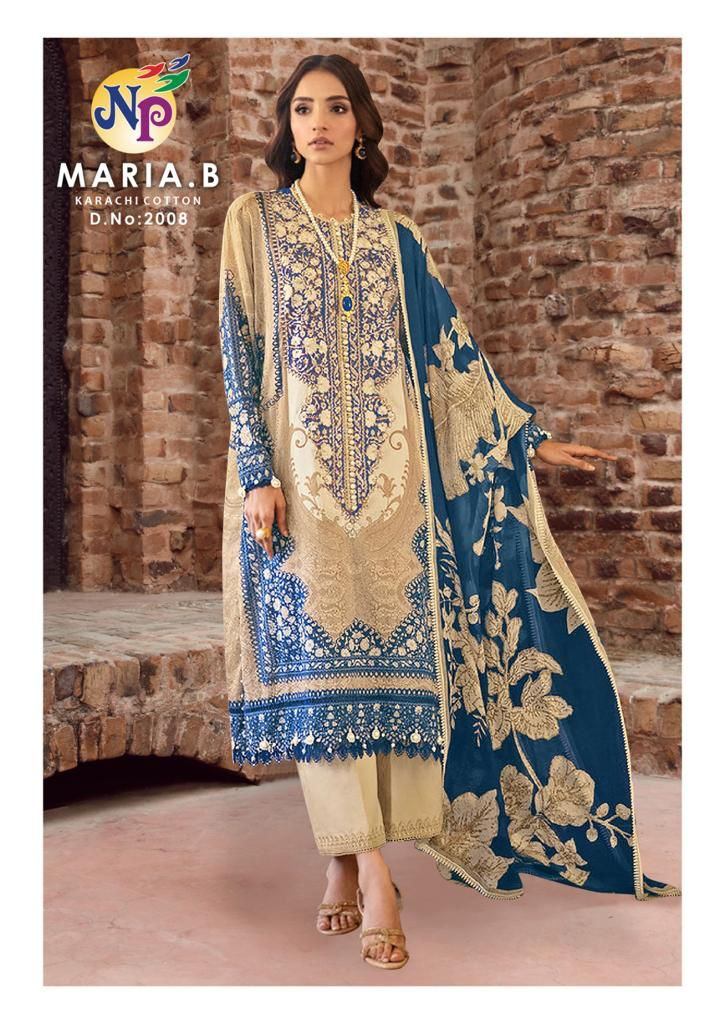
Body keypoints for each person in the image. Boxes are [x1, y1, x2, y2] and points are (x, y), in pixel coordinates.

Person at [218, 54, 681, 971]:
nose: (318, 123)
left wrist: (523, 439)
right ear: (287, 126)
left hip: (395, 499)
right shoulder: (254, 223)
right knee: (319, 685)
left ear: (362, 126)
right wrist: (257, 473)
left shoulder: (397, 242)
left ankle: (343, 863)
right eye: (302, 109)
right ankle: (377, 876)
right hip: (296, 490)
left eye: (336, 108)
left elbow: (451, 358)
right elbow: (237, 349)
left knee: (392, 692)